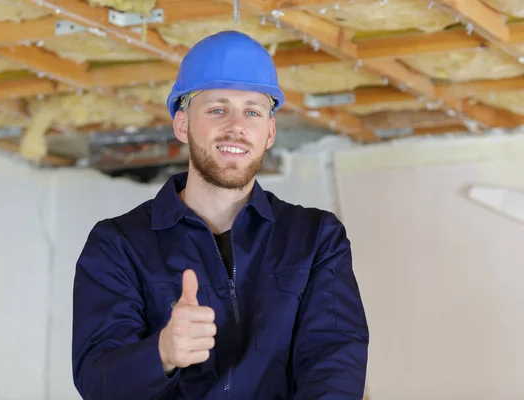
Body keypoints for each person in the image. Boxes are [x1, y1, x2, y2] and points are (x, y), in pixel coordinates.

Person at [72, 30, 369, 399]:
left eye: (252, 111)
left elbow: (334, 363)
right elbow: (96, 381)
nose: (236, 127)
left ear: (270, 131)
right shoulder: (118, 245)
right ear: (182, 124)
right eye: (217, 109)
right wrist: (161, 353)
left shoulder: (316, 238)